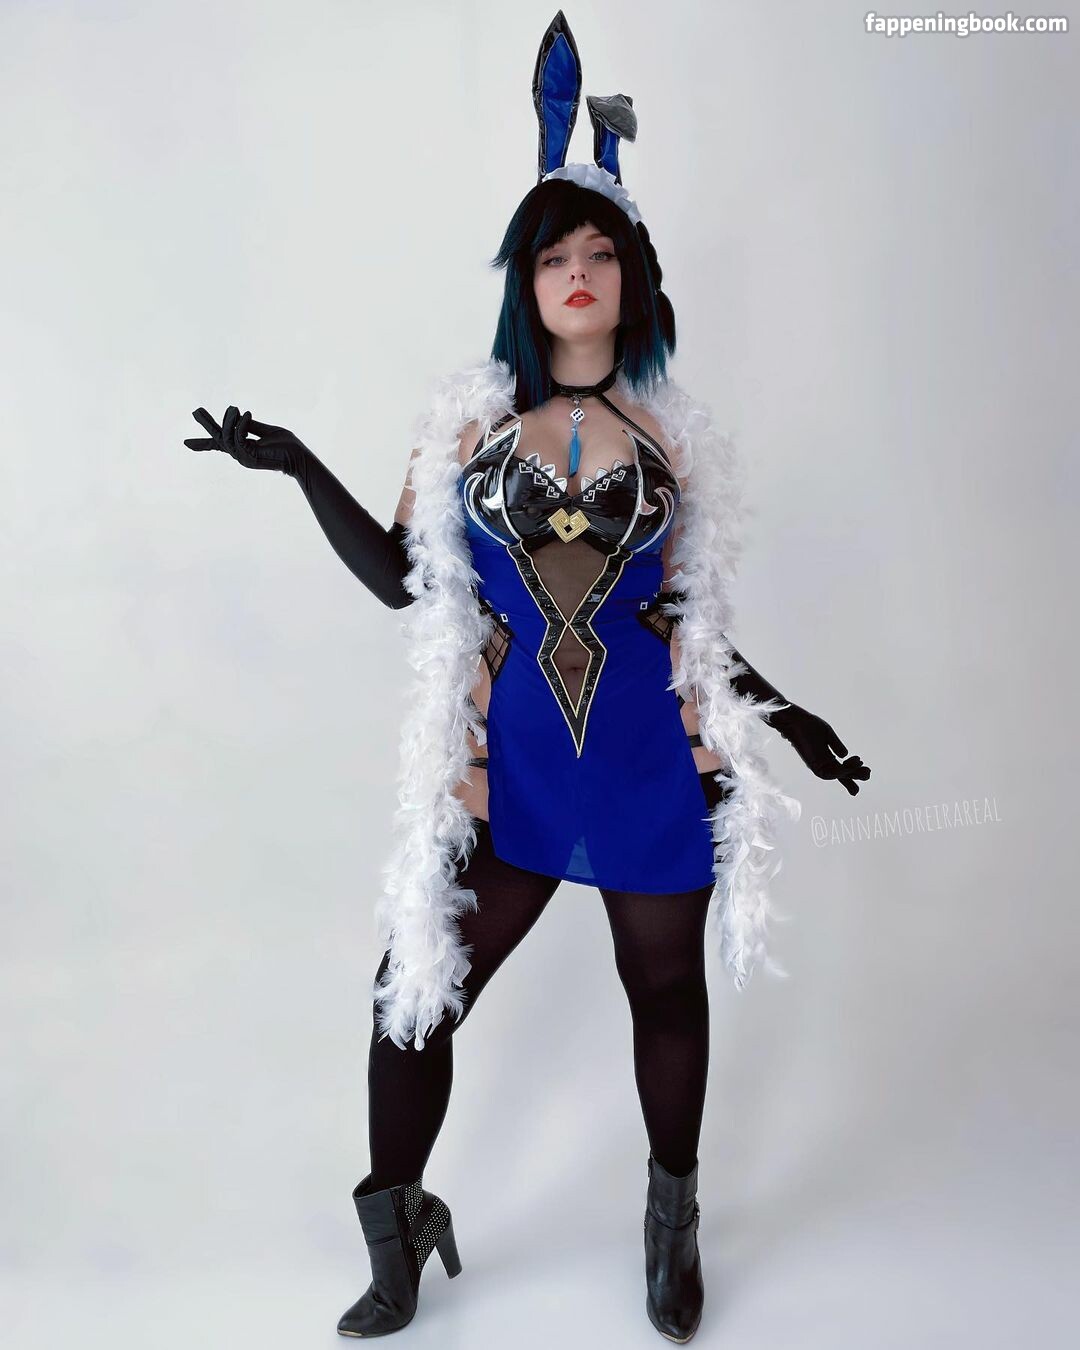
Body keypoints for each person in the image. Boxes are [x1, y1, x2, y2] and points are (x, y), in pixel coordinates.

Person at [184, 11, 869, 1342]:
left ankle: (671, 1228)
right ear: (525, 282)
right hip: (515, 778)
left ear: (633, 276)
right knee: (412, 995)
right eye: (553, 255)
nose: (576, 273)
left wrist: (791, 718)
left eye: (598, 252)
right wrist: (300, 466)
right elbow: (406, 583)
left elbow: (689, 623)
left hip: (649, 763)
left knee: (665, 992)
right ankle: (398, 1233)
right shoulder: (466, 424)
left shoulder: (671, 439)